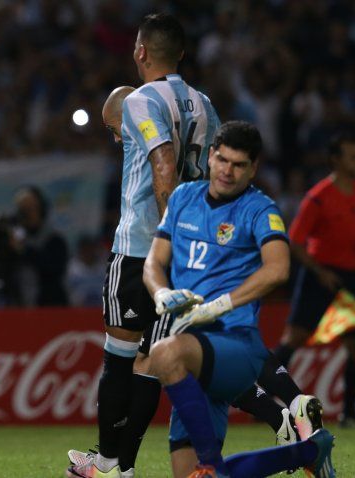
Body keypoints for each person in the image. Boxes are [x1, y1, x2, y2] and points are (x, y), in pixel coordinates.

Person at [67, 12, 221, 478]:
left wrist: (170, 235)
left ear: (140, 51)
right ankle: (123, 466)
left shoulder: (140, 100)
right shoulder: (204, 104)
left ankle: (108, 464)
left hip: (141, 249)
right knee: (150, 364)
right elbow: (213, 176)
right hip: (186, 252)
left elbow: (163, 164)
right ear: (182, 54)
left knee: (119, 357)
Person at [143, 120, 335, 478]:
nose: (227, 171)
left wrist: (219, 305)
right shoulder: (183, 198)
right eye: (223, 160)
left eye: (239, 164)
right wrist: (161, 293)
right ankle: (310, 450)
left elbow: (278, 269)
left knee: (163, 353)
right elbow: (153, 261)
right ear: (211, 156)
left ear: (253, 168)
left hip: (236, 345)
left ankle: (210, 463)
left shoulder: (260, 209)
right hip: (193, 351)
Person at [268, 133, 355, 427]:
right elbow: (295, 242)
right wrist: (320, 272)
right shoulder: (318, 196)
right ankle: (261, 399)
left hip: (351, 277)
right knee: (294, 338)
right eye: (352, 156)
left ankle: (349, 414)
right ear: (335, 160)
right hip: (319, 274)